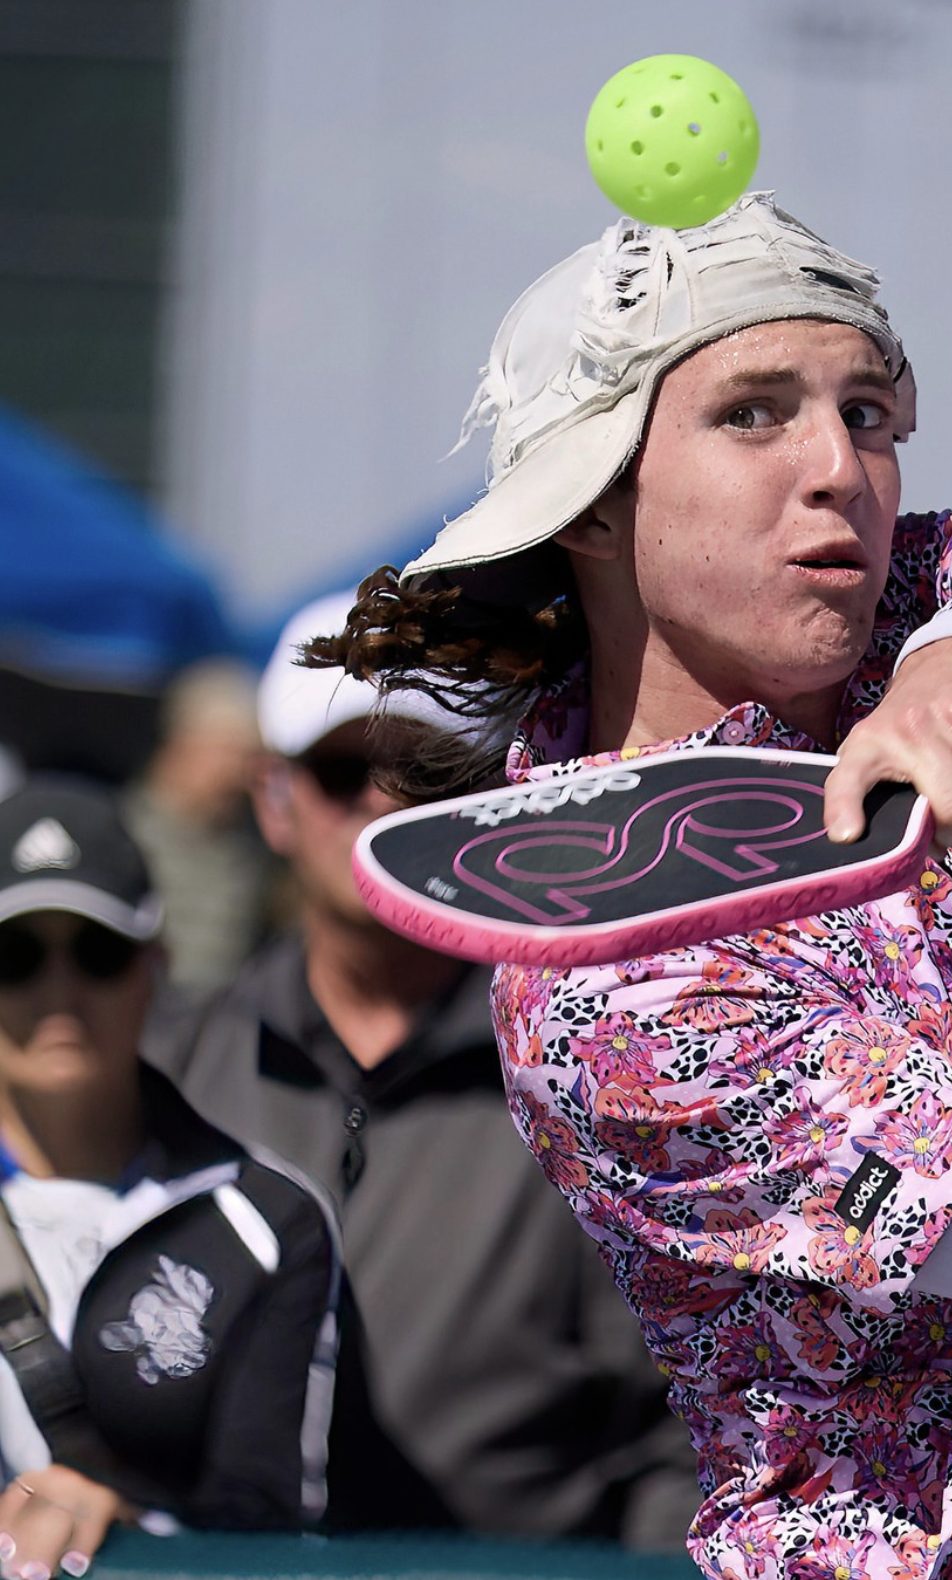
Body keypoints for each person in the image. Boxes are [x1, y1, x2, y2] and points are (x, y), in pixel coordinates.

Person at [316, 194, 952, 1579]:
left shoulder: (917, 611)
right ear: (595, 503)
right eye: (753, 413)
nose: (839, 469)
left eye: (868, 412)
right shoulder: (611, 982)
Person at [145, 591, 695, 1544]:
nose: (380, 801)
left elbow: (680, 1422)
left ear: (477, 803)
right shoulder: (172, 1062)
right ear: (273, 802)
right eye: (339, 772)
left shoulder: (590, 1070)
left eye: (421, 772)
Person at [0, 779, 339, 1579]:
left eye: (98, 952)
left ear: (156, 964)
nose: (59, 993)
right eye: (16, 957)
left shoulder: (267, 1218)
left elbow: (271, 1530)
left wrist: (129, 1531)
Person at [123, 660, 274, 995]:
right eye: (227, 752)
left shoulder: (255, 850)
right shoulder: (124, 837)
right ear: (180, 744)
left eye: (249, 758)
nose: (238, 774)